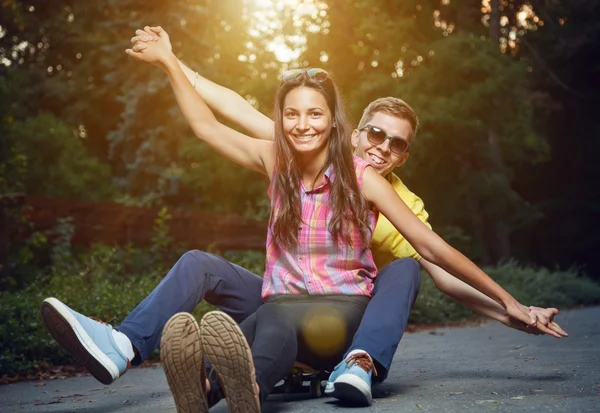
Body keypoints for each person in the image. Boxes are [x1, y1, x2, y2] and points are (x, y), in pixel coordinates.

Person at [38, 25, 565, 411]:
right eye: (292, 114)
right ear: (353, 129)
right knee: (212, 270)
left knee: (394, 270)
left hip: (342, 314)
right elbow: (209, 121)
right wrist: (171, 62)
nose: (301, 123)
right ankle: (129, 347)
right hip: (283, 299)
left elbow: (436, 256)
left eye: (314, 114)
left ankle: (319, 369)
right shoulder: (278, 156)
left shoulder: (370, 182)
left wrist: (509, 304)